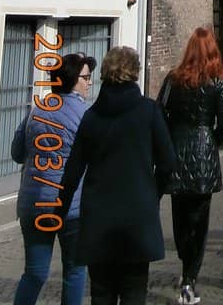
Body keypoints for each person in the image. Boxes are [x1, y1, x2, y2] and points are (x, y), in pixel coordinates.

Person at [60, 45, 175, 305]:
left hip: (99, 218)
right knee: (134, 293)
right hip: (137, 216)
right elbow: (168, 162)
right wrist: (152, 194)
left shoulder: (91, 117)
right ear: (134, 73)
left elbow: (73, 171)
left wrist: (60, 210)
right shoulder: (148, 111)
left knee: (101, 294)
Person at [11, 51, 95, 305]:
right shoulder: (84, 115)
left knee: (34, 273)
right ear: (72, 80)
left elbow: (16, 153)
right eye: (86, 77)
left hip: (34, 203)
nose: (89, 83)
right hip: (70, 206)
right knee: (74, 270)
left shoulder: (36, 112)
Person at [158, 27, 223, 305]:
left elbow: (159, 110)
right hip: (203, 151)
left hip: (178, 150)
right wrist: (213, 140)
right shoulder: (217, 81)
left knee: (180, 215)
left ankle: (185, 263)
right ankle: (190, 276)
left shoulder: (174, 79)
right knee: (199, 220)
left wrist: (169, 138)